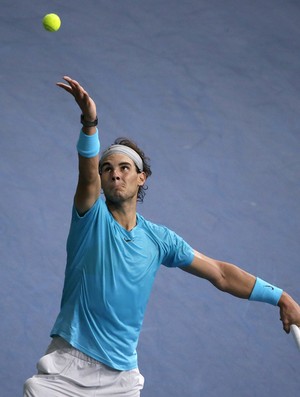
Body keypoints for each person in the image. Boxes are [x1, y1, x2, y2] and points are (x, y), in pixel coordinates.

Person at [24, 76, 300, 397]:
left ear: (141, 178)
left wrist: (281, 296)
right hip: (65, 370)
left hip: (121, 380)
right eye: (107, 168)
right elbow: (86, 179)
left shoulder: (160, 240)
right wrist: (89, 123)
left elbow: (221, 274)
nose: (115, 172)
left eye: (125, 167)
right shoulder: (91, 219)